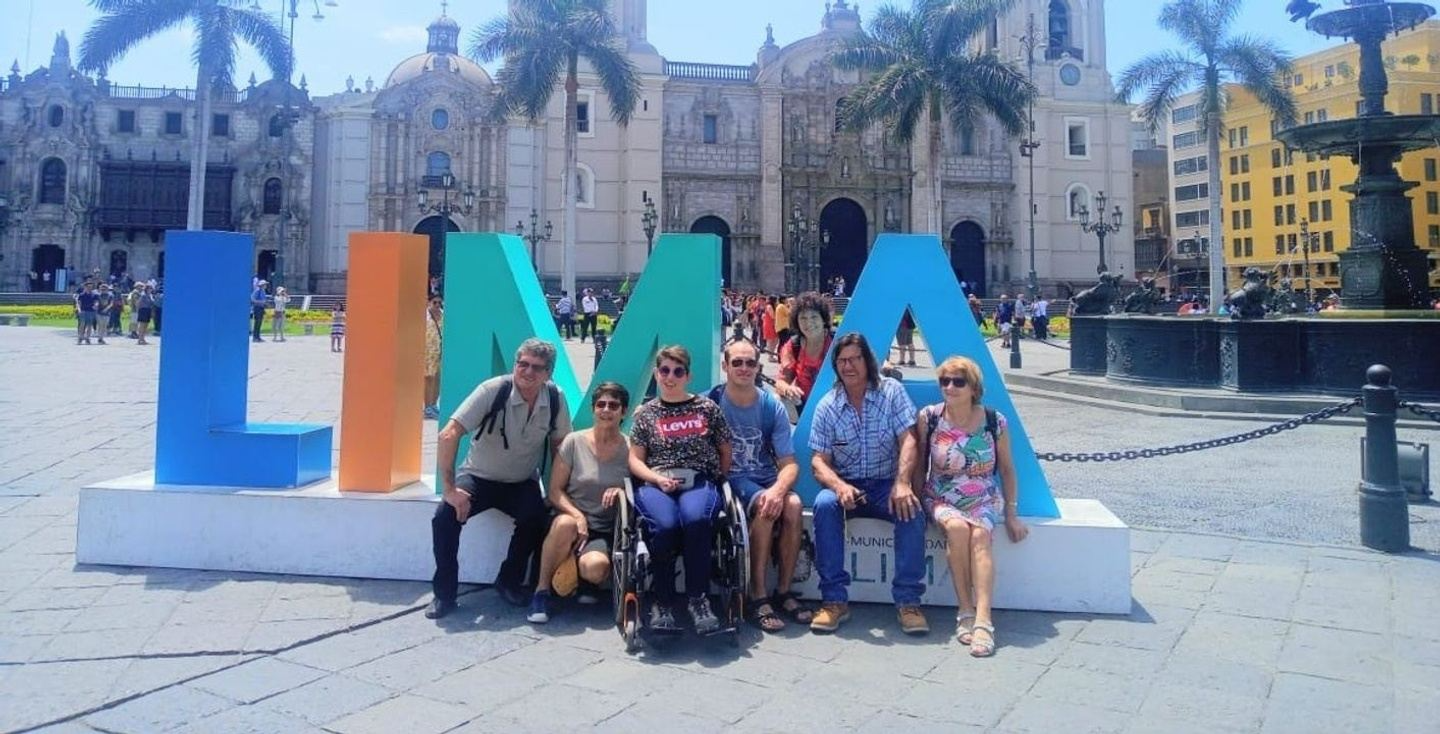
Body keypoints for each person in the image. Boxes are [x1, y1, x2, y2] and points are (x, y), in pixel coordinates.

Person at [428, 339, 573, 619]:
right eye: (523, 364)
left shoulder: (555, 398)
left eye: (536, 367)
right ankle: (444, 594)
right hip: (478, 477)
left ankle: (509, 581)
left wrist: (556, 490)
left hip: (521, 481)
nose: (527, 372)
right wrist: (449, 489)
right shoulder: (494, 390)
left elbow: (560, 447)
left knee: (536, 518)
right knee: (444, 517)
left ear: (548, 373)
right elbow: (449, 434)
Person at [808, 333, 928, 635]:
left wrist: (903, 483)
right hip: (848, 486)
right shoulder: (828, 405)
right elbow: (818, 461)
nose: (848, 366)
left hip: (886, 482)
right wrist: (838, 486)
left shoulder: (891, 392)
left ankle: (908, 601)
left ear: (868, 361)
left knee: (911, 510)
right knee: (824, 505)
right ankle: (834, 600)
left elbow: (909, 439)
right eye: (842, 361)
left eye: (855, 359)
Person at [916, 357, 1028, 657]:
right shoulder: (930, 417)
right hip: (941, 494)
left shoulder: (995, 421)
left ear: (973, 387)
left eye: (958, 381)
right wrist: (915, 502)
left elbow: (1007, 470)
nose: (950, 387)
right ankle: (964, 607)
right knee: (956, 529)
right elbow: (919, 464)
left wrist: (1012, 514)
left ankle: (983, 619)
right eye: (945, 381)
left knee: (979, 536)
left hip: (984, 496)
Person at [628, 345, 733, 634]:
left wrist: (717, 478)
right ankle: (662, 601)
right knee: (664, 526)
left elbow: (725, 449)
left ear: (688, 376)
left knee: (696, 520)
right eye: (664, 370)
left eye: (678, 371)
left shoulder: (707, 409)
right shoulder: (647, 414)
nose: (670, 377)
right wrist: (656, 478)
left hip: (698, 479)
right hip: (657, 480)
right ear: (656, 374)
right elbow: (635, 459)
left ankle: (698, 599)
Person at [711, 339, 810, 632]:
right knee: (767, 507)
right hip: (733, 479)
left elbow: (789, 463)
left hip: (766, 476)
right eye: (737, 362)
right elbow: (675, 407)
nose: (743, 368)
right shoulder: (711, 402)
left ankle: (783, 590)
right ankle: (757, 595)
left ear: (758, 367)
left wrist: (779, 489)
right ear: (725, 366)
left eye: (750, 363)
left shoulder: (771, 406)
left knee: (791, 504)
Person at [528, 382, 632, 624]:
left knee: (595, 568)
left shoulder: (630, 448)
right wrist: (577, 516)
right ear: (593, 409)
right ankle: (541, 592)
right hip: (569, 519)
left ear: (623, 411)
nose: (606, 410)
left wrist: (621, 490)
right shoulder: (574, 442)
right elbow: (555, 491)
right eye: (601, 405)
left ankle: (583, 577)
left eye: (613, 405)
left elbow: (638, 490)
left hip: (603, 529)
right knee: (565, 524)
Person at [774, 291, 835, 411]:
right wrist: (788, 389)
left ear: (823, 319)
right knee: (777, 399)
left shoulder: (839, 341)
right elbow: (780, 382)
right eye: (803, 318)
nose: (808, 323)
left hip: (835, 406)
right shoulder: (793, 346)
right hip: (804, 406)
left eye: (814, 317)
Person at [424, 296, 444, 419]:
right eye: (434, 302)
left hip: (440, 351)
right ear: (429, 303)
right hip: (427, 352)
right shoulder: (425, 317)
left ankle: (433, 405)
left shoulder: (443, 315)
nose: (437, 305)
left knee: (437, 379)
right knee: (429, 379)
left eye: (439, 303)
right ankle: (427, 406)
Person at [761, 296, 778, 361]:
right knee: (771, 340)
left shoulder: (769, 306)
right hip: (770, 324)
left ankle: (771, 355)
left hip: (770, 324)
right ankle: (770, 356)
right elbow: (772, 316)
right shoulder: (769, 306)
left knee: (774, 340)